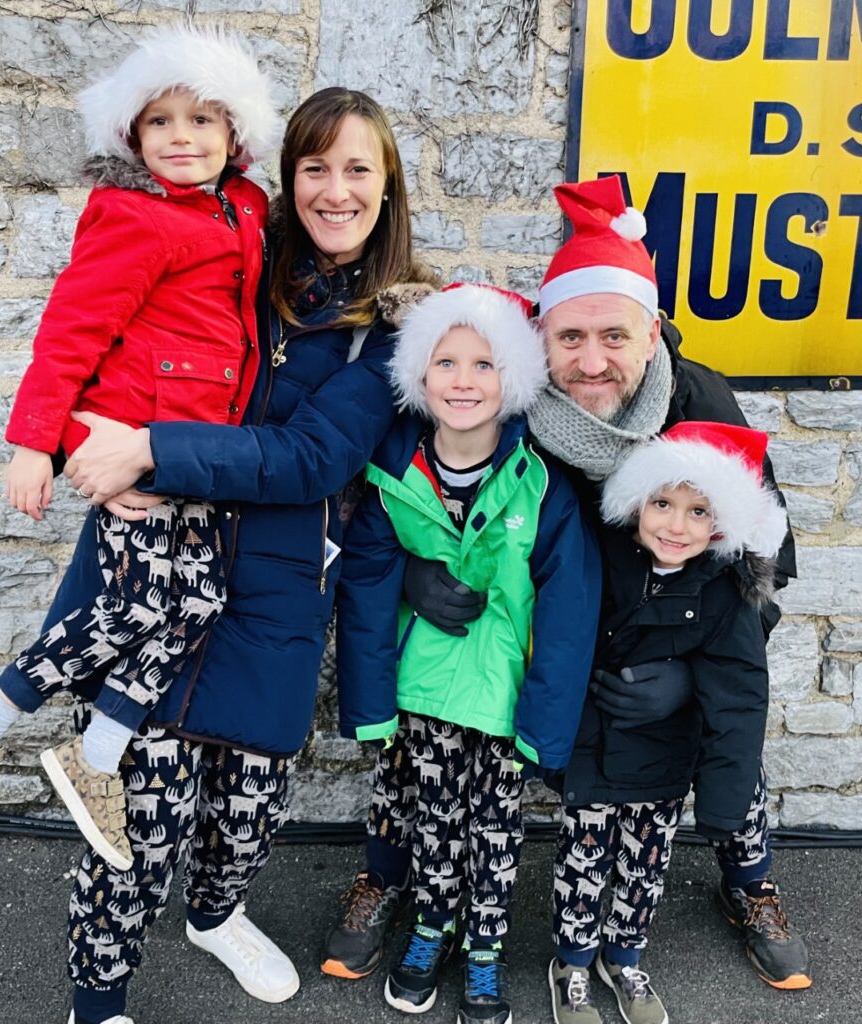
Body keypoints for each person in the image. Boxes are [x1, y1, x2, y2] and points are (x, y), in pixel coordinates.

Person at [0, 86, 435, 1024]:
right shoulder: (223, 247)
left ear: (388, 182)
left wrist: (150, 447)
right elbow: (99, 337)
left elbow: (315, 457)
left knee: (246, 809)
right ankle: (99, 995)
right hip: (152, 571)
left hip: (274, 597)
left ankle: (215, 913)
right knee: (130, 823)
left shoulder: (397, 329)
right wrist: (78, 438)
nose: (334, 190)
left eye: (358, 168)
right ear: (287, 177)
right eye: (314, 167)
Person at [324, 174, 810, 994]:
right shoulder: (506, 394)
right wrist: (411, 575)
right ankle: (389, 873)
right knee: (426, 739)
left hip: (662, 636)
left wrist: (692, 670)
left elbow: (767, 568)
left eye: (615, 337)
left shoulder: (697, 404)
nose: (592, 361)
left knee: (720, 724)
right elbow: (411, 496)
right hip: (536, 632)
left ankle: (749, 876)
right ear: (541, 336)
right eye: (572, 337)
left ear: (650, 333)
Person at [0, 25, 277, 871]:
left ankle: (93, 763)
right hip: (134, 448)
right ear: (133, 137)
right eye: (161, 123)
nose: (182, 138)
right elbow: (70, 333)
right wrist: (39, 444)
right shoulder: (132, 215)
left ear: (236, 135)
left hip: (199, 451)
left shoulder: (249, 207)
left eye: (202, 120)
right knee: (131, 609)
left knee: (194, 606)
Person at [333, 284, 601, 1024]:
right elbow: (367, 586)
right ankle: (431, 926)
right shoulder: (393, 474)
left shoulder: (541, 481)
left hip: (503, 695)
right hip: (426, 690)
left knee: (495, 828)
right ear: (418, 376)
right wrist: (371, 703)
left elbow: (569, 606)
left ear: (510, 378)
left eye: (483, 365)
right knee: (433, 818)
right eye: (444, 362)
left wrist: (544, 723)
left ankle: (485, 945)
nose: (462, 381)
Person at [547, 419, 786, 1024]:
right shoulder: (600, 557)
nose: (676, 526)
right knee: (583, 860)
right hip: (593, 750)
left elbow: (739, 697)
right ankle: (573, 963)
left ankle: (623, 958)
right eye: (661, 503)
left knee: (643, 867)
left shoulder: (726, 594)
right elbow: (554, 638)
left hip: (663, 762)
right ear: (636, 502)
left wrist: (724, 808)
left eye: (698, 511)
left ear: (722, 522)